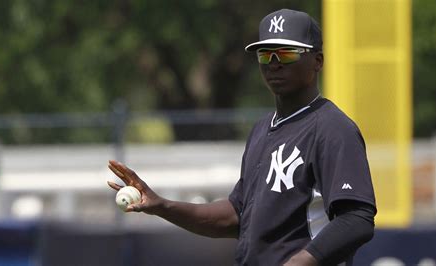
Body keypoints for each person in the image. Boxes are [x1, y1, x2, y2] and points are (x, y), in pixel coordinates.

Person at [107, 8, 376, 266]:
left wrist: (298, 263)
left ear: (317, 61)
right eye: (265, 54)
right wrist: (161, 205)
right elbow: (236, 215)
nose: (274, 64)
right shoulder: (262, 129)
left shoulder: (332, 128)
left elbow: (356, 218)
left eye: (286, 54)